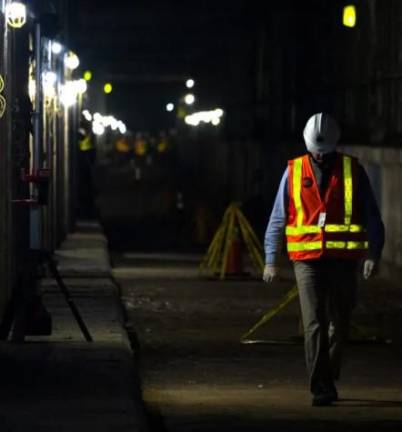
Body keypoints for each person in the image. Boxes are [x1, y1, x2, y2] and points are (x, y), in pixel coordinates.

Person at [263, 113, 385, 406]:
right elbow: (278, 217)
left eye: (324, 149)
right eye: (316, 149)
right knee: (314, 322)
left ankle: (328, 371)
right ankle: (321, 386)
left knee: (340, 321)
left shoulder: (352, 170)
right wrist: (270, 258)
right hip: (306, 260)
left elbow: (372, 216)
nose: (319, 154)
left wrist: (373, 253)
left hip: (344, 260)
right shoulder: (293, 171)